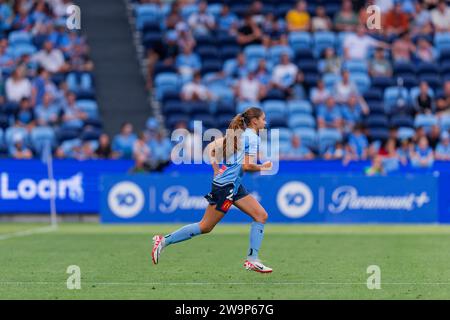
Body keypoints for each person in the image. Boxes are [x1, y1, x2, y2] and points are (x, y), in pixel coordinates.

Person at [151, 107, 274, 273]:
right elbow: (246, 165)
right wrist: (263, 167)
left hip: (232, 185)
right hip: (227, 187)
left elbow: (212, 149)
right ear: (255, 121)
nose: (265, 122)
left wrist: (217, 169)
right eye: (263, 119)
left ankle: (252, 260)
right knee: (205, 226)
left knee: (261, 215)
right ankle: (163, 241)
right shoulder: (252, 138)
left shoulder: (239, 135)